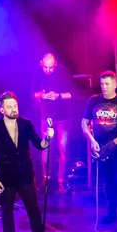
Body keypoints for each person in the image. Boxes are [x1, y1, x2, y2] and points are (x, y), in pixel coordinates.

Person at [0, 91, 54, 232]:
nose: (14, 109)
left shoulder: (26, 124)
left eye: (15, 106)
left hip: (25, 175)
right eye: (9, 107)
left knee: (34, 212)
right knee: (6, 212)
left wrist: (48, 138)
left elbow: (40, 145)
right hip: (5, 177)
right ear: (2, 110)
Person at [81, 70, 117, 232]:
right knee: (108, 182)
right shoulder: (93, 101)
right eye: (102, 84)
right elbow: (84, 124)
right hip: (102, 148)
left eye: (107, 84)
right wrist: (92, 141)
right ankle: (111, 213)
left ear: (115, 84)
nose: (104, 87)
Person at [31, 51, 79, 193]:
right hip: (46, 117)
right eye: (45, 67)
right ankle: (47, 179)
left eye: (51, 67)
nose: (48, 70)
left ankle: (62, 181)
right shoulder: (38, 73)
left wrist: (58, 96)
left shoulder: (64, 73)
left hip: (64, 117)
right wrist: (41, 95)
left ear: (55, 64)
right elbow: (33, 94)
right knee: (46, 149)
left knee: (63, 148)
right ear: (42, 64)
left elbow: (73, 94)